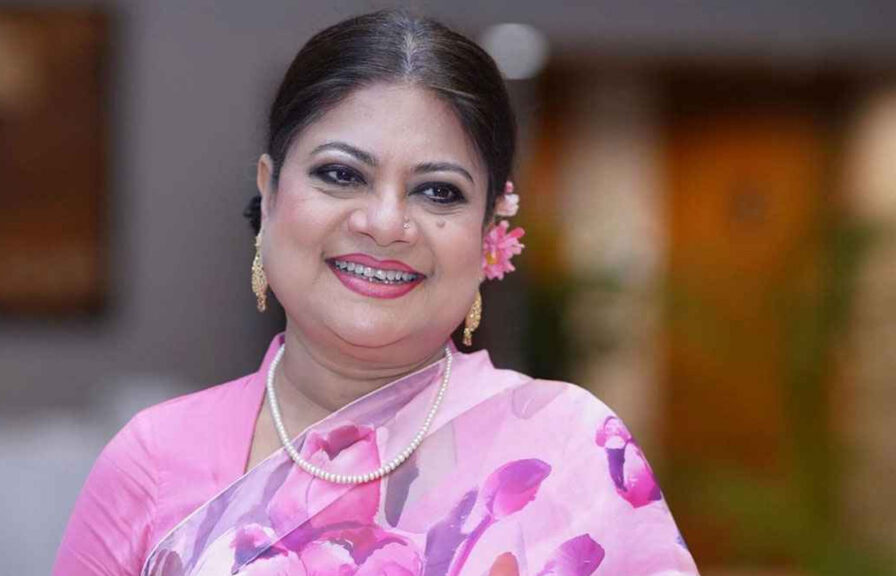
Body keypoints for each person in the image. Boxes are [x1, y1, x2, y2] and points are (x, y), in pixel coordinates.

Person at [53, 9, 700, 576]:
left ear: (487, 234)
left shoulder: (568, 451)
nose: (386, 223)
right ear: (270, 193)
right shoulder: (153, 461)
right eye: (341, 175)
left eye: (438, 191)